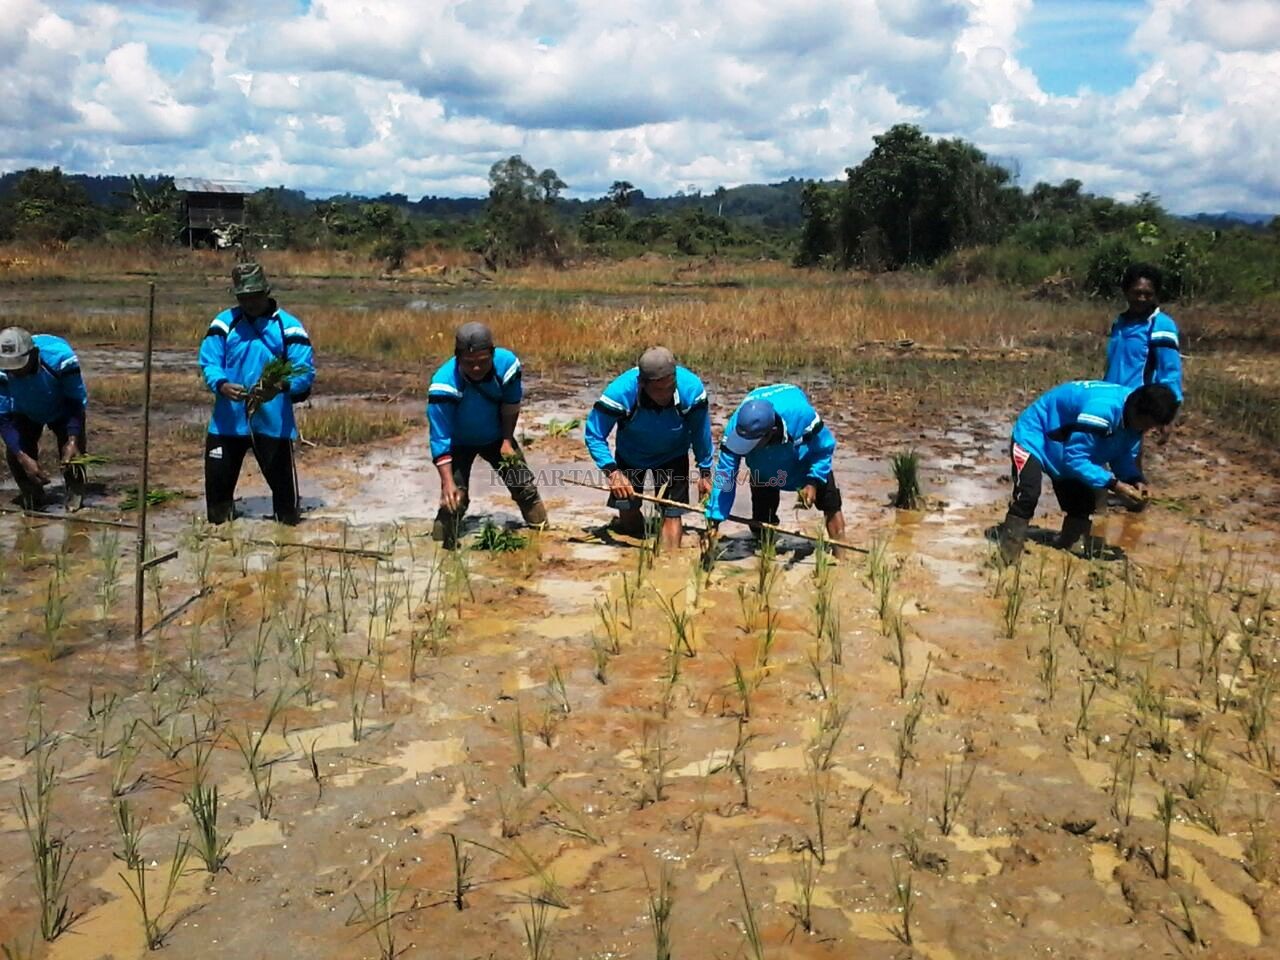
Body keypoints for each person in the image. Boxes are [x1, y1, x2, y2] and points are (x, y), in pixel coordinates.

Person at [996, 381, 1180, 563]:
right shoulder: (1101, 412)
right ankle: (1008, 554)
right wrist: (1113, 484)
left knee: (1082, 504)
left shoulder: (1134, 420)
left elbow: (1120, 453)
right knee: (1028, 494)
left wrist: (1134, 478)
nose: (1146, 430)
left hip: (1064, 446)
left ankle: (1069, 547)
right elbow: (1075, 458)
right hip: (1035, 437)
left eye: (1151, 427)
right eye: (1146, 424)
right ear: (1136, 410)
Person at [198, 262, 315, 525]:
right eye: (243, 297)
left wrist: (279, 387)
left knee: (286, 512)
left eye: (254, 296)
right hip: (227, 423)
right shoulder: (224, 323)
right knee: (217, 511)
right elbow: (209, 362)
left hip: (272, 424)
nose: (249, 302)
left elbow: (303, 372)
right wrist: (222, 384)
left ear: (266, 292)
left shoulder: (289, 327)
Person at [427, 321, 547, 548]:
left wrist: (506, 440)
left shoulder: (507, 365)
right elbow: (439, 437)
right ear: (457, 358)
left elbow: (511, 404)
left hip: (497, 436)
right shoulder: (443, 386)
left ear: (492, 353)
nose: (476, 369)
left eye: (483, 362)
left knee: (524, 488)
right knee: (454, 501)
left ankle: (543, 536)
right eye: (469, 363)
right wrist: (447, 482)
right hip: (458, 443)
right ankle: (439, 548)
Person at [584, 346, 713, 549]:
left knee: (672, 512)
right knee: (628, 514)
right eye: (658, 390)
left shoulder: (691, 390)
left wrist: (705, 472)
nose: (665, 395)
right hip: (631, 456)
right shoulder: (620, 393)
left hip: (673, 455)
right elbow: (594, 434)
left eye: (670, 388)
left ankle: (668, 564)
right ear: (642, 383)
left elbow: (701, 433)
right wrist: (613, 473)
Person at [705, 383, 846, 547]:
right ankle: (764, 553)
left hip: (802, 461)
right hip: (763, 468)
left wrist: (813, 480)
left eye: (751, 443)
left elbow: (824, 448)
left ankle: (841, 556)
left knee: (830, 504)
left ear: (771, 432)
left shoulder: (801, 416)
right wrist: (714, 519)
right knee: (762, 521)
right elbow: (725, 476)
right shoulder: (737, 426)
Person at [1103, 262, 1184, 503]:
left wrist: (1168, 413)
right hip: (1112, 397)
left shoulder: (1160, 325)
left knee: (1129, 452)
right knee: (1109, 447)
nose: (1141, 298)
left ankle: (1136, 499)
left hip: (1139, 402)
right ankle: (1126, 495)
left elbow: (1170, 370)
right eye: (1136, 292)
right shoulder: (1121, 322)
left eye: (1147, 293)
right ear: (1126, 291)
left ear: (1156, 294)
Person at [0, 327, 89, 510]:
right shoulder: (2, 371)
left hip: (62, 407)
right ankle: (34, 497)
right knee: (16, 455)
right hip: (24, 409)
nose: (16, 373)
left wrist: (72, 440)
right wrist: (22, 456)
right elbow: (3, 417)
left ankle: (75, 497)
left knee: (73, 454)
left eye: (20, 365)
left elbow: (75, 402)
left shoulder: (62, 359)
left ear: (34, 355)